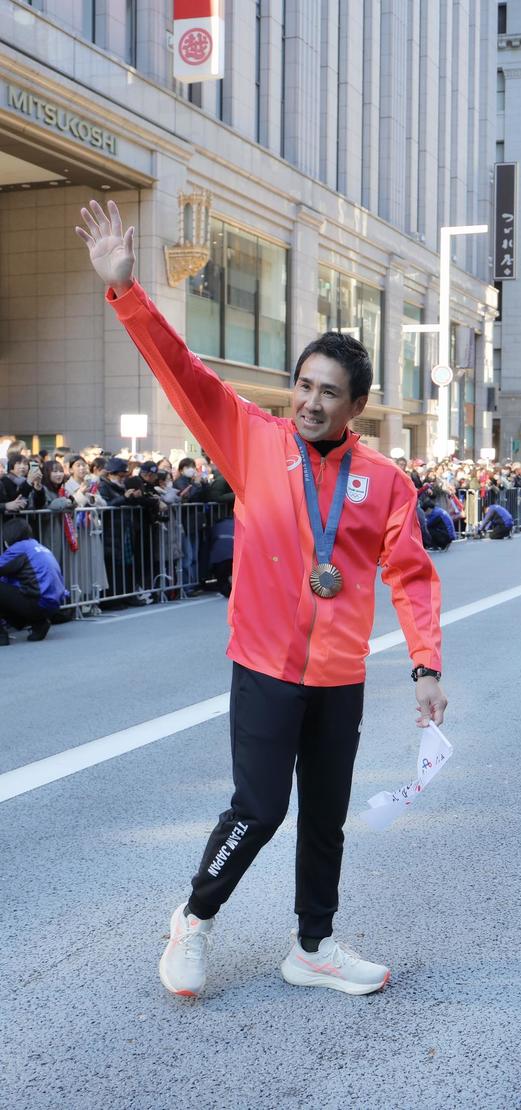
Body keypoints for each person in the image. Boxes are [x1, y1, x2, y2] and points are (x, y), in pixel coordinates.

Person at [78, 198, 447, 999]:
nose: (310, 401)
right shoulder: (252, 440)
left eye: (329, 392)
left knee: (324, 818)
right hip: (267, 667)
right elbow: (184, 372)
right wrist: (127, 289)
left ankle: (313, 945)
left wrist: (424, 665)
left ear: (357, 407)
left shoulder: (385, 483)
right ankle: (194, 918)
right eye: (303, 385)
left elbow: (411, 576)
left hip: (340, 675)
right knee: (260, 807)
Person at [0, 518, 67, 644]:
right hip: (52, 604)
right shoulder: (37, 545)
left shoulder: (18, 549)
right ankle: (39, 623)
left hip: (37, 602)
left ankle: (1, 636)